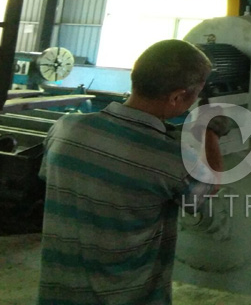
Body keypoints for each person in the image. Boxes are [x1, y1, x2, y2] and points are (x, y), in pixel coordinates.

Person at [37, 40, 223, 305]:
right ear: (176, 97)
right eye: (196, 94)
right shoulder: (171, 158)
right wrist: (211, 133)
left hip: (58, 295)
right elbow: (208, 189)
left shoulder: (65, 128)